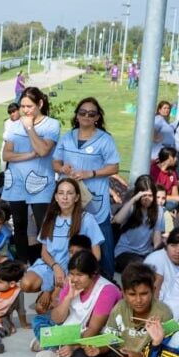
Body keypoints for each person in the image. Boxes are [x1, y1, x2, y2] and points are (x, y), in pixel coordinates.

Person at [65, 262, 173, 357]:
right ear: (124, 293)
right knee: (79, 355)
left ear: (153, 291)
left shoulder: (164, 314)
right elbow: (111, 340)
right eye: (132, 294)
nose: (138, 300)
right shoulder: (120, 308)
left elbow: (165, 354)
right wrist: (99, 350)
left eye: (144, 294)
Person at [54, 96, 121, 278]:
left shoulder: (105, 139)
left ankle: (107, 281)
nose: (86, 116)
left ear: (97, 117)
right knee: (72, 239)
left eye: (91, 114)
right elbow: (55, 162)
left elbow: (114, 167)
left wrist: (90, 173)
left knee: (102, 241)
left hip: (95, 198)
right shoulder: (67, 138)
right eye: (82, 112)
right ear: (76, 115)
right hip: (70, 198)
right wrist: (62, 168)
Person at [1, 87, 61, 262]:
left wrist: (29, 129)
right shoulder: (14, 125)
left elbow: (43, 150)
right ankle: (21, 263)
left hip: (40, 183)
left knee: (44, 224)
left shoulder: (52, 125)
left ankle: (45, 262)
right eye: (23, 106)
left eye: (29, 106)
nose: (25, 111)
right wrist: (28, 155)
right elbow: (7, 154)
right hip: (16, 182)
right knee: (19, 225)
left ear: (40, 104)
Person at [34, 250, 123, 357]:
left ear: (94, 273)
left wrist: (73, 346)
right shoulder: (71, 283)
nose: (75, 279)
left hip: (95, 334)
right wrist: (68, 298)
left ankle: (57, 350)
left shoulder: (106, 291)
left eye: (80, 275)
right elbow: (57, 319)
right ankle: (54, 345)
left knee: (84, 351)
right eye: (72, 273)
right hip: (73, 329)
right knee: (39, 320)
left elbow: (94, 329)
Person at [22, 177, 103, 300]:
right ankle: (49, 287)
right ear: (56, 197)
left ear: (76, 198)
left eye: (69, 193)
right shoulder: (50, 218)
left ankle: (55, 292)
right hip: (50, 265)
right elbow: (44, 252)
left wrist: (77, 273)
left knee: (50, 308)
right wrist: (55, 267)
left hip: (74, 269)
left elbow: (96, 255)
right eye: (61, 193)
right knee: (26, 284)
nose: (65, 197)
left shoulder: (87, 219)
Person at [112, 175, 165, 272]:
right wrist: (133, 199)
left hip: (145, 253)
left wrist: (159, 257)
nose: (147, 199)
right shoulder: (132, 207)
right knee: (141, 266)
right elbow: (117, 220)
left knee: (155, 267)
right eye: (144, 195)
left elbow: (157, 239)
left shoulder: (159, 211)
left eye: (150, 195)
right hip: (125, 252)